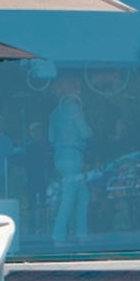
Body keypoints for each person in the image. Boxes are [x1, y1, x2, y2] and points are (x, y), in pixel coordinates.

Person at [49, 87, 91, 244]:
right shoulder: (74, 110)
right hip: (74, 155)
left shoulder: (54, 113)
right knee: (69, 197)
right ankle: (58, 235)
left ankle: (82, 234)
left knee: (83, 196)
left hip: (60, 156)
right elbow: (85, 132)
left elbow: (50, 137)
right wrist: (90, 131)